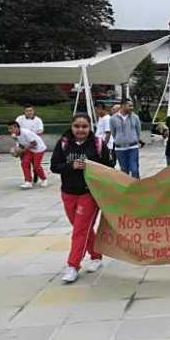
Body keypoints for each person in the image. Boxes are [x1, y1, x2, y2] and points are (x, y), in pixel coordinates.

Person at [50, 114, 112, 283]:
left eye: (84, 126)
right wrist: (72, 166)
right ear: (71, 126)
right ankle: (96, 256)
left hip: (89, 194)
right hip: (68, 193)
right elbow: (54, 167)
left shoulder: (98, 144)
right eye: (77, 126)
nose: (80, 130)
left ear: (90, 127)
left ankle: (73, 265)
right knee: (81, 228)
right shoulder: (63, 144)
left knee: (80, 229)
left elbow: (109, 167)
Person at [7, 121, 48, 189]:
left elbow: (34, 143)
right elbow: (21, 144)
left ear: (16, 127)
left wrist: (22, 151)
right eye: (9, 128)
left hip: (39, 149)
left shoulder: (26, 133)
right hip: (29, 149)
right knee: (24, 163)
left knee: (36, 166)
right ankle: (28, 181)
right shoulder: (14, 135)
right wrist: (16, 152)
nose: (9, 130)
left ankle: (44, 179)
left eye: (11, 128)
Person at [110, 98, 141, 179]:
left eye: (132, 106)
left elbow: (138, 131)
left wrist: (134, 140)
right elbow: (113, 133)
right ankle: (127, 189)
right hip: (120, 149)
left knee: (135, 170)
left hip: (133, 147)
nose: (132, 108)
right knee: (124, 171)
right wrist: (119, 140)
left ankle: (137, 187)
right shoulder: (113, 118)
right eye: (130, 106)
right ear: (123, 106)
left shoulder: (135, 117)